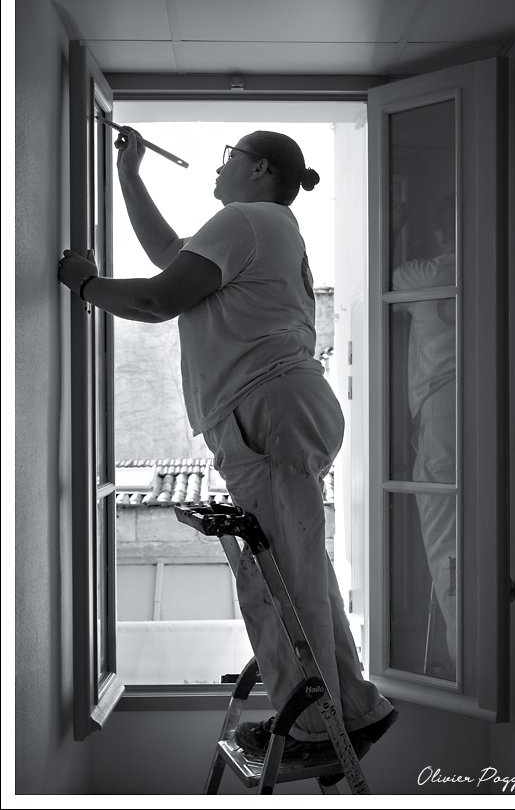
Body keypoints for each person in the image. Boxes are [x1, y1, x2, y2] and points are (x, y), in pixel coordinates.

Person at [59, 129, 397, 760]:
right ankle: (353, 709)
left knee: (276, 581)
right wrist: (130, 175)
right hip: (283, 408)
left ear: (260, 168)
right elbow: (170, 256)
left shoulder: (245, 219)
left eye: (229, 159)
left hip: (269, 411)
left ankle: (314, 730)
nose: (220, 170)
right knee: (299, 570)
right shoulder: (264, 227)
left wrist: (85, 285)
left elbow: (158, 298)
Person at [392, 195, 457, 672]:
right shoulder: (496, 267)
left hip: (441, 416)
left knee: (446, 542)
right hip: (485, 408)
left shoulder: (426, 275)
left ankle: (466, 666)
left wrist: (394, 224)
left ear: (439, 234)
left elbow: (385, 277)